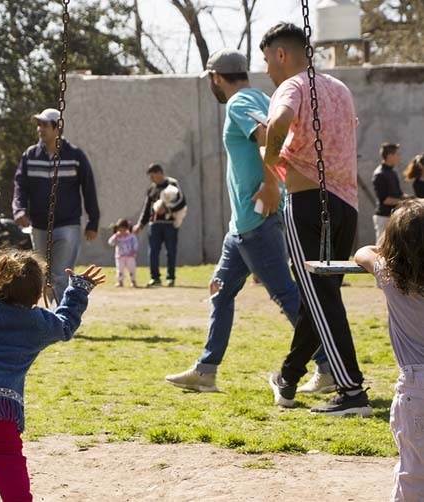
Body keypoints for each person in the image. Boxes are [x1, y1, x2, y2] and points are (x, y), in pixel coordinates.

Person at [165, 49, 332, 394]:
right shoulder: (260, 95)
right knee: (222, 293)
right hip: (240, 228)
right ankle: (206, 370)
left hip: (256, 223)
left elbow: (270, 133)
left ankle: (328, 367)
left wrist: (272, 185)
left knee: (286, 295)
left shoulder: (239, 102)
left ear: (215, 78)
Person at [260, 23, 371, 416]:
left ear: (281, 54)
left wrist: (270, 159)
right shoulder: (340, 89)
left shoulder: (290, 85)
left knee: (320, 295)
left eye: (267, 60)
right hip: (347, 205)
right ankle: (288, 377)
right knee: (318, 294)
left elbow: (278, 123)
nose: (268, 71)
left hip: (309, 203)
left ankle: (352, 390)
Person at [0, 251, 104, 501]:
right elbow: (65, 324)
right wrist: (78, 289)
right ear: (37, 293)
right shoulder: (39, 322)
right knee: (12, 479)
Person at [354, 199, 424, 500]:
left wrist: (386, 249)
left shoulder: (390, 277)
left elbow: (362, 253)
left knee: (414, 474)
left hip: (417, 388)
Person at [12, 107, 100, 303]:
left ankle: (59, 321)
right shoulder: (30, 155)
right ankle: (45, 317)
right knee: (41, 275)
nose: (39, 129)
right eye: (38, 125)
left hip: (68, 225)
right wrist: (19, 210)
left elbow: (89, 188)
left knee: (60, 276)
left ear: (57, 127)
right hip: (39, 225)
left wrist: (93, 222)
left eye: (44, 125)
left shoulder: (75, 156)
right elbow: (20, 186)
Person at [133, 163, 185, 287]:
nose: (151, 179)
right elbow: (147, 208)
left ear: (160, 173)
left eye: (153, 176)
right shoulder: (151, 188)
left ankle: (170, 278)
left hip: (169, 224)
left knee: (171, 251)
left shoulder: (172, 184)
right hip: (154, 225)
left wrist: (167, 210)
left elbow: (182, 201)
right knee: (153, 252)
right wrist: (140, 224)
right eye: (150, 176)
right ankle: (155, 278)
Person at [372, 142, 411, 243]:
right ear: (390, 156)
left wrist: (412, 199)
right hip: (384, 217)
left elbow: (399, 194)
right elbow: (385, 200)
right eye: (397, 154)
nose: (399, 157)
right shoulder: (379, 174)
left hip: (394, 215)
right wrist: (404, 203)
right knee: (381, 246)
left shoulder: (392, 172)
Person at [107, 218, 137, 287]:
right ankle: (120, 281)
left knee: (131, 268)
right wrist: (115, 237)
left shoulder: (131, 236)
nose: (121, 231)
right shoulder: (117, 236)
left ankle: (133, 281)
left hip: (130, 256)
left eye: (123, 230)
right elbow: (110, 243)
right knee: (120, 269)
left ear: (127, 228)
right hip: (120, 256)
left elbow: (135, 244)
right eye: (120, 230)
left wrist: (133, 251)